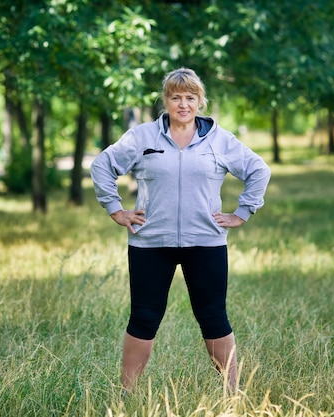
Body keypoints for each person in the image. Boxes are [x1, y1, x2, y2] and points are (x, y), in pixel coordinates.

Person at [90, 67, 271, 392]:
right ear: (166, 101)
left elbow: (258, 169)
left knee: (214, 318)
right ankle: (126, 395)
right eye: (176, 97)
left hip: (205, 241)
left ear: (200, 101)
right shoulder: (142, 137)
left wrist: (242, 212)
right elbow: (102, 165)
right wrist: (115, 209)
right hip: (150, 243)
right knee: (143, 320)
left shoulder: (219, 139)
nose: (183, 104)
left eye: (190, 97)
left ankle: (233, 396)